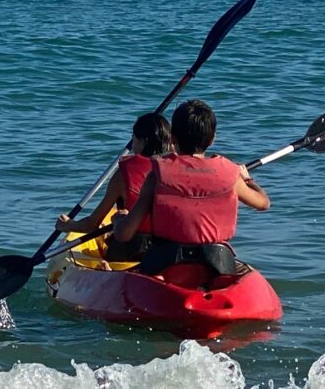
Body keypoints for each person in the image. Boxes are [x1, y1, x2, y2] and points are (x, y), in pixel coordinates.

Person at [113, 99, 270, 277]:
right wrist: (248, 180)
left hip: (164, 264)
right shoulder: (232, 174)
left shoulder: (157, 173)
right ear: (212, 139)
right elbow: (263, 203)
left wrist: (118, 221)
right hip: (218, 263)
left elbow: (124, 235)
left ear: (172, 137)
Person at [55, 112, 173, 263]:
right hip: (167, 249)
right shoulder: (178, 171)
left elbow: (92, 224)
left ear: (143, 141)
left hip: (132, 249)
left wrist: (68, 225)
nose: (132, 143)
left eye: (134, 138)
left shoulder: (122, 176)